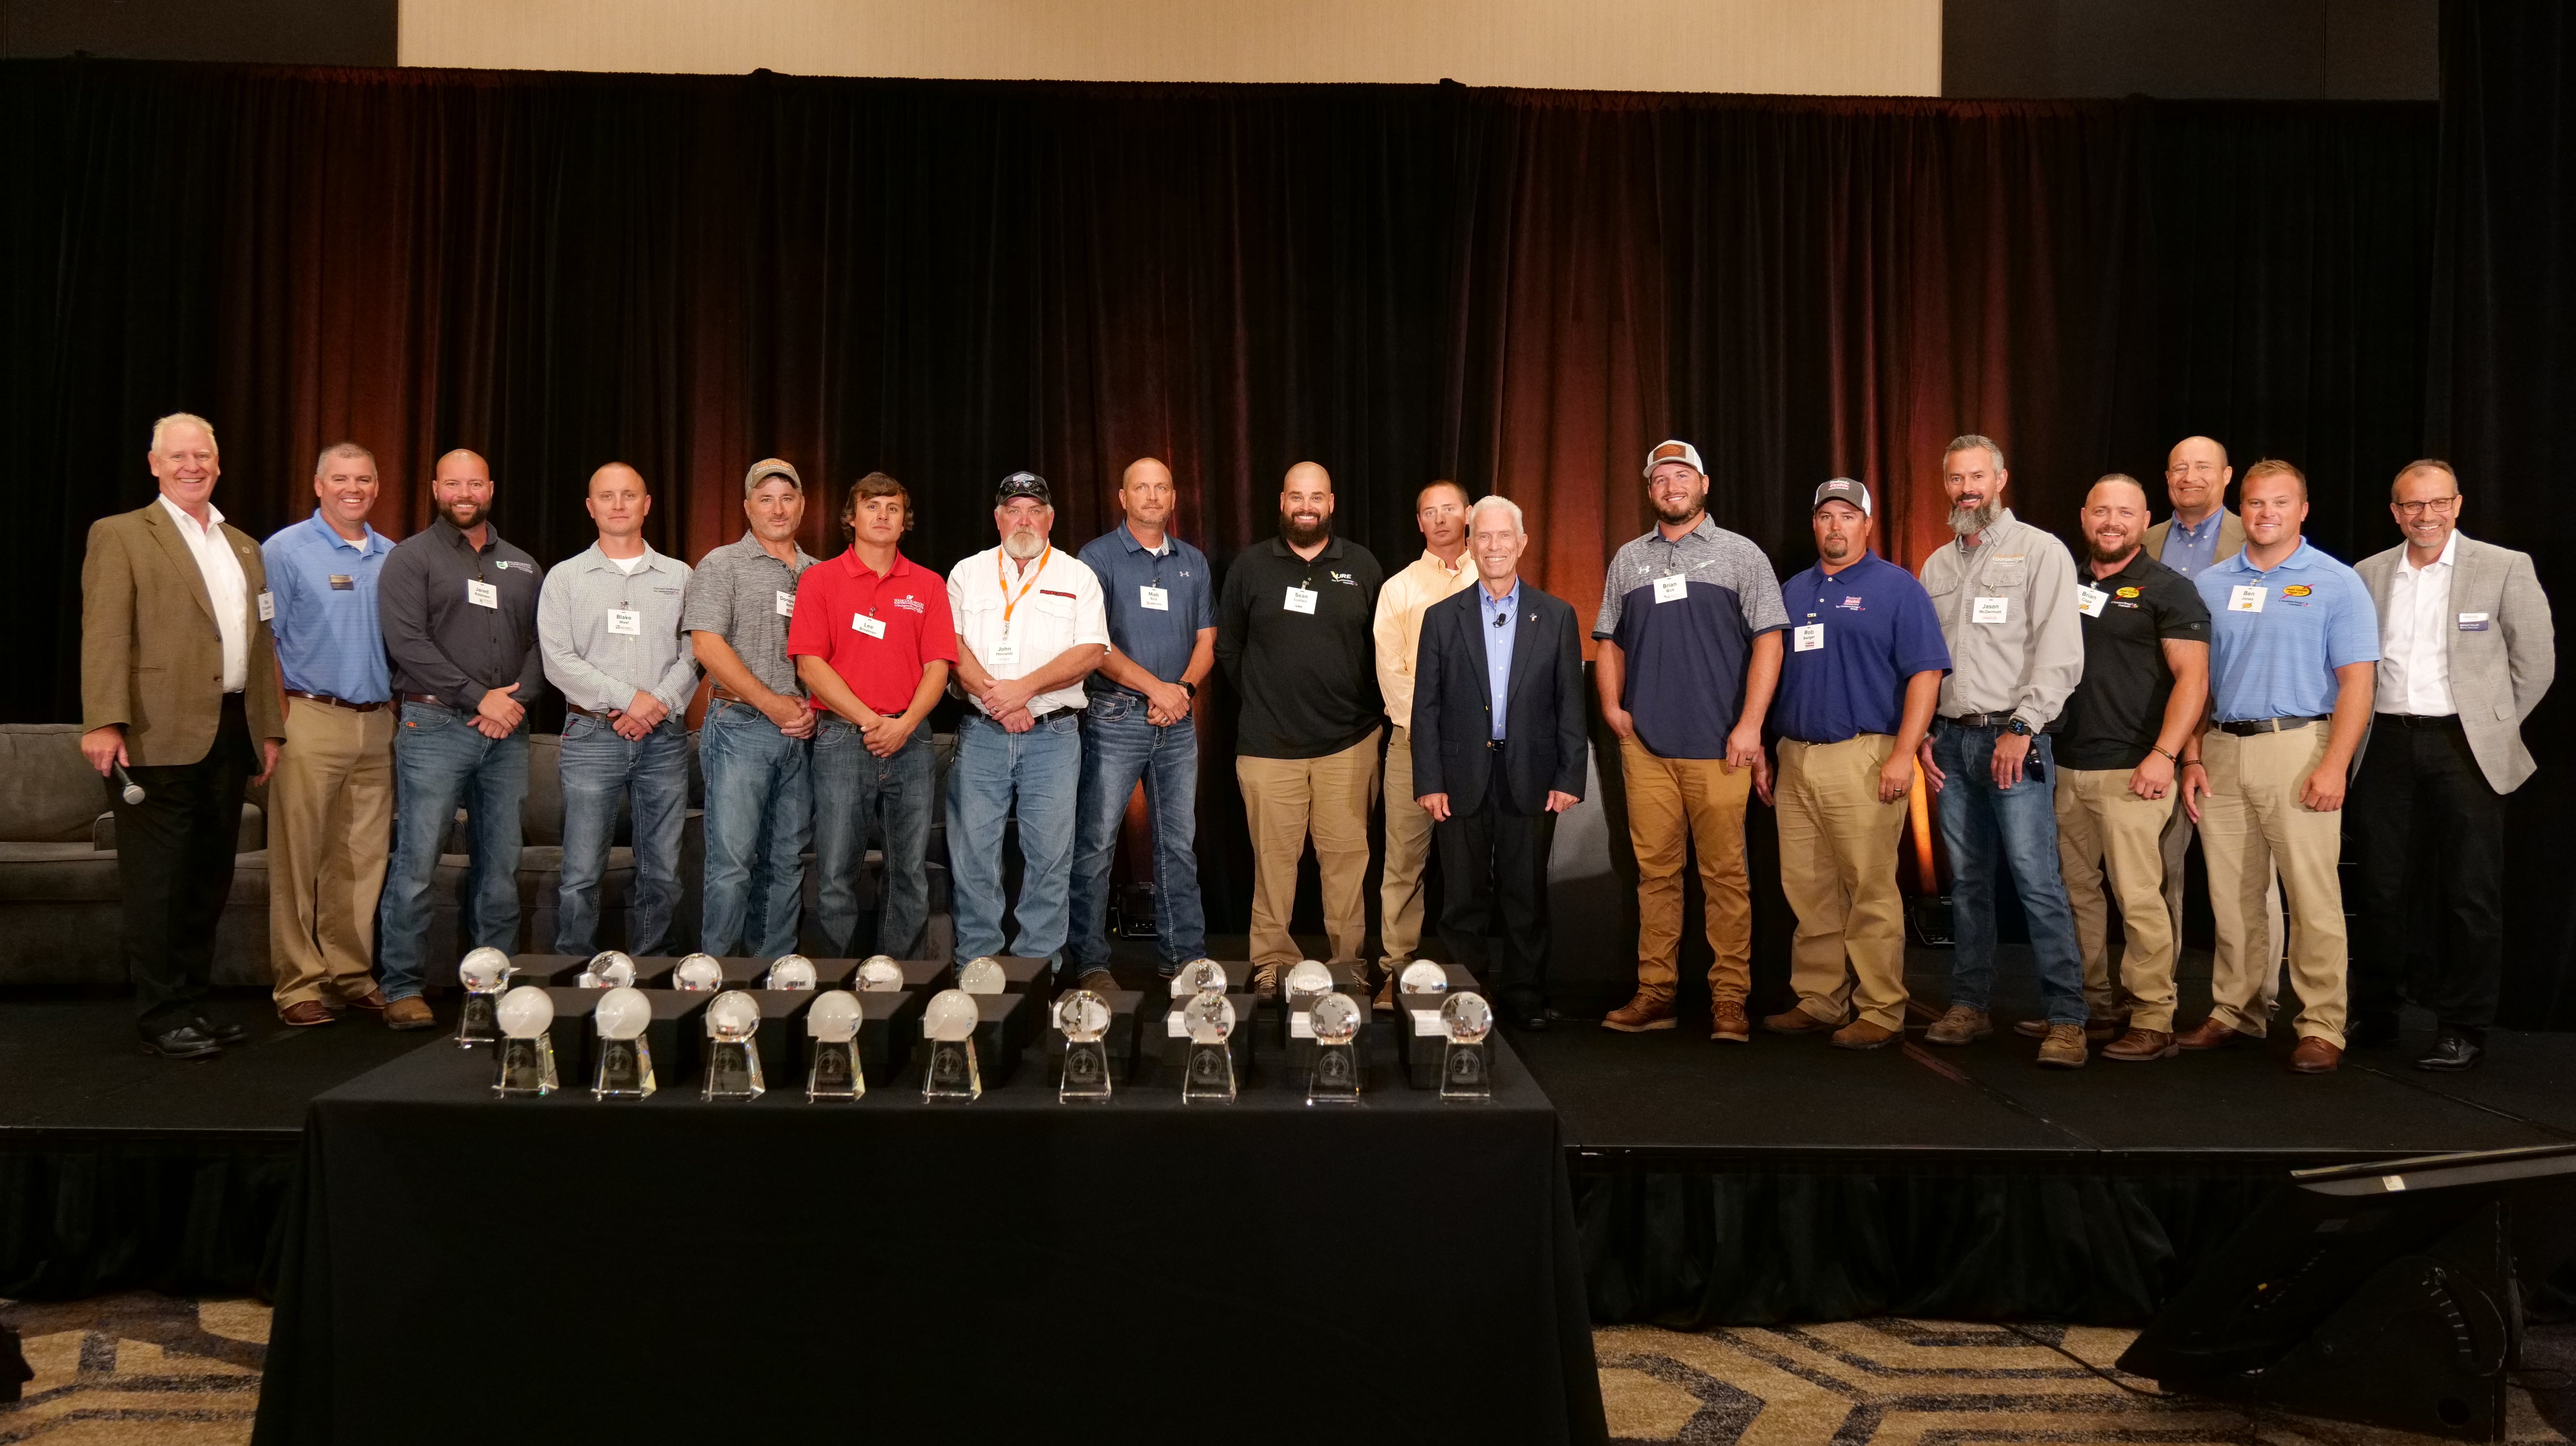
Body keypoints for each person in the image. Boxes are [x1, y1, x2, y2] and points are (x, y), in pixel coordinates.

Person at [80, 413, 285, 1058]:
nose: (192, 466)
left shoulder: (244, 545)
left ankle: (191, 1004)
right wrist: (103, 720)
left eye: (203, 456)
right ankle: (162, 1014)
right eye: (179, 456)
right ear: (154, 464)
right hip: (152, 731)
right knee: (158, 883)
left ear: (218, 465)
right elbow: (106, 633)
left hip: (229, 733)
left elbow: (261, 642)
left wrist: (269, 730)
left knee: (206, 879)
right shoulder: (121, 535)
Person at [2348, 460, 2554, 1070]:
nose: (2425, 516)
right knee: (2380, 888)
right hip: (2383, 742)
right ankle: (2377, 1013)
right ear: (2395, 512)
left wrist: (2491, 724)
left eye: (2437, 504)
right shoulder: (2368, 574)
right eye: (2413, 506)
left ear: (2458, 505)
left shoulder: (2504, 567)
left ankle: (2463, 1026)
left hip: (2465, 746)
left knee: (2470, 892)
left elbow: (2536, 663)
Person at [2178, 459, 2377, 1074]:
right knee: (2233, 894)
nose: (2267, 515)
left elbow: (2358, 684)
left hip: (2299, 747)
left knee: (2311, 896)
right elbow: (2196, 681)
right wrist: (2190, 754)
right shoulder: (2211, 584)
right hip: (2221, 749)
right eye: (2257, 504)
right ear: (2244, 509)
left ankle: (2321, 1024)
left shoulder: (2335, 582)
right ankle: (2236, 1009)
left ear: (2303, 510)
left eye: (2280, 504)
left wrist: (2335, 765)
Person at [1595, 440, 1786, 1040]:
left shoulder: (1742, 555)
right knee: (1656, 878)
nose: (1671, 486)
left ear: (1704, 483)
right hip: (1647, 749)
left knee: (1726, 879)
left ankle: (1730, 999)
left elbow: (1770, 642)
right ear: (1649, 489)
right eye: (1660, 479)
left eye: (1682, 476)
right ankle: (1657, 993)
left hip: (1720, 748)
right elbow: (1609, 640)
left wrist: (1752, 726)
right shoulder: (1629, 559)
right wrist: (1612, 709)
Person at [1914, 434, 2090, 1066]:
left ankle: (2068, 1017)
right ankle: (1970, 1005)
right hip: (1953, 741)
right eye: (1956, 478)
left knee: (2036, 880)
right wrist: (1928, 732)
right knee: (1965, 884)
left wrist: (2023, 726)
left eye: (1977, 477)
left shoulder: (2041, 551)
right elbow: (1927, 664)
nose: (1967, 489)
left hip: (2016, 737)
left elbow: (2062, 652)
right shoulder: (1935, 566)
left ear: (2001, 480)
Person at [1756, 479, 1947, 1050]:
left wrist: (1903, 753)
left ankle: (1882, 1007)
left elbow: (1926, 675)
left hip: (1865, 755)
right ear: (1813, 526)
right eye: (1824, 517)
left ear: (1867, 525)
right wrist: (1767, 751)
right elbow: (1771, 673)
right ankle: (1819, 998)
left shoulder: (1898, 589)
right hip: (1797, 755)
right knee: (1808, 887)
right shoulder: (1792, 591)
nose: (1834, 527)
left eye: (1847, 516)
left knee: (1869, 888)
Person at [2040, 474, 2210, 1062]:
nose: (2111, 522)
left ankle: (2153, 1017)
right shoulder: (2065, 584)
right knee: (2077, 897)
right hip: (2066, 767)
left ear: (2145, 523)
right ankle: (2090, 1006)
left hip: (2135, 770)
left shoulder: (2170, 590)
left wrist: (2165, 755)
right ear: (2084, 517)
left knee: (2140, 897)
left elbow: (2195, 680)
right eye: (2101, 511)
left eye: (2125, 513)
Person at [376, 448, 546, 1030]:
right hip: (434, 728)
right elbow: (408, 644)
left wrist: (513, 702)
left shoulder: (524, 565)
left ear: (491, 489)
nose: (464, 493)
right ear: (435, 489)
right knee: (418, 865)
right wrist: (482, 698)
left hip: (507, 732)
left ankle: (492, 984)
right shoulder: (409, 559)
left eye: (475, 483)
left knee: (500, 870)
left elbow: (541, 644)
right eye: (454, 484)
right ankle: (401, 986)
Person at [1410, 496, 1587, 1029]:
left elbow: (1569, 703)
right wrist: (1429, 779)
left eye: (1503, 536)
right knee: (1462, 899)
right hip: (1460, 778)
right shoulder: (1442, 618)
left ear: (1522, 543)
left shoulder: (1556, 615)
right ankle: (1467, 997)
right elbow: (1427, 706)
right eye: (1482, 537)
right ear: (1469, 544)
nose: (1493, 546)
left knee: (1525, 896)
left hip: (1531, 777)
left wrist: (1569, 775)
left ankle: (1525, 998)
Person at [1216, 462, 1385, 996]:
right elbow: (1228, 644)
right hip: (1269, 746)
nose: (1306, 505)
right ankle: (1271, 961)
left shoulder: (1361, 565)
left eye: (1316, 496)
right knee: (1274, 864)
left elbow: (1382, 646)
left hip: (1349, 744)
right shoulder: (1250, 566)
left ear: (1331, 503)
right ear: (1282, 502)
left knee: (1346, 862)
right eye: (1296, 496)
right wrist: (1266, 696)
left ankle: (1347, 961)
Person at [788, 471, 955, 958]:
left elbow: (939, 667)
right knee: (838, 869)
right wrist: (870, 721)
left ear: (906, 521)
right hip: (843, 739)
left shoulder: (927, 584)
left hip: (912, 737)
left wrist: (901, 724)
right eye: (871, 506)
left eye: (893, 508)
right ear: (851, 516)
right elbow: (810, 665)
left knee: (910, 871)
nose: (882, 516)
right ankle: (837, 984)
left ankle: (896, 981)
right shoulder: (819, 579)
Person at [945, 471, 1107, 972]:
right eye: (1014, 509)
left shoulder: (1076, 576)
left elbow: (1091, 651)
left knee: (1050, 859)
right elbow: (950, 648)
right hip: (982, 734)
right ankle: (977, 965)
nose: (1024, 519)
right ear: (998, 518)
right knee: (974, 856)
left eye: (1035, 510)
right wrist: (1001, 701)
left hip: (1053, 737)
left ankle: (1038, 971)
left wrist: (1024, 689)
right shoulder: (967, 573)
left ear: (1050, 518)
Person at [537, 463, 698, 957]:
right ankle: (574, 971)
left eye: (630, 495)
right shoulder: (565, 577)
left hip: (664, 740)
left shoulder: (680, 575)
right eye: (607, 496)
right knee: (582, 870)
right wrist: (631, 700)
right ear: (591, 507)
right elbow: (557, 660)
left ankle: (653, 970)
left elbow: (696, 653)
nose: (619, 504)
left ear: (647, 504)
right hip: (591, 737)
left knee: (663, 871)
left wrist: (656, 707)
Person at [261, 442, 396, 1027]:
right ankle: (298, 984)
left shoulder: (394, 556)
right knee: (299, 859)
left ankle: (350, 974)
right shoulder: (284, 550)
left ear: (377, 487)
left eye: (364, 478)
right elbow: (263, 639)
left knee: (363, 859)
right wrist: (275, 720)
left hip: (379, 723)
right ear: (319, 486)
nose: (353, 488)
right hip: (308, 717)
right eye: (340, 478)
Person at [1068, 458, 1215, 989]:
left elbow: (1206, 640)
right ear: (1122, 497)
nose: (1152, 497)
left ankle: (1184, 958)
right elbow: (1095, 645)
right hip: (1114, 716)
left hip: (1177, 719)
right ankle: (1090, 962)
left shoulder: (1193, 561)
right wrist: (1157, 689)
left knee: (1178, 843)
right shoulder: (1097, 557)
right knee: (1096, 842)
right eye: (1141, 488)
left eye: (1161, 488)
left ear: (1175, 498)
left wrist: (1183, 692)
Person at [2145, 434, 2283, 994]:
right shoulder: (2145, 539)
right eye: (2179, 467)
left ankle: (2256, 998)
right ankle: (2157, 995)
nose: (2190, 476)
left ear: (2227, 477)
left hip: (2232, 727)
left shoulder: (2257, 535)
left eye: (2203, 467)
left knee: (2250, 877)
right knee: (2155, 873)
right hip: (2157, 730)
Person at [684, 458, 820, 959]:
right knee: (732, 863)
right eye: (765, 498)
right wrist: (772, 705)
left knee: (786, 860)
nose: (778, 508)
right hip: (740, 726)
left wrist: (803, 712)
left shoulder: (818, 573)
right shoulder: (722, 564)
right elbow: (707, 646)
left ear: (802, 505)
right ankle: (715, 978)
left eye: (788, 498)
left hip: (803, 733)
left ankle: (775, 979)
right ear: (747, 507)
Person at [1370, 480, 1476, 1006]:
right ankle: (1397, 968)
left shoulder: (1495, 576)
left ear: (1469, 513)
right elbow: (1393, 674)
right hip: (1413, 745)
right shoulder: (1400, 588)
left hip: (1481, 750)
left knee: (1470, 865)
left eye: (1449, 509)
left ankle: (1467, 974)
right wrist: (1435, 735)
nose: (1439, 519)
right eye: (1429, 512)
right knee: (1404, 863)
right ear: (1418, 523)